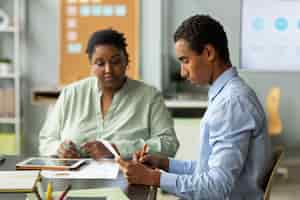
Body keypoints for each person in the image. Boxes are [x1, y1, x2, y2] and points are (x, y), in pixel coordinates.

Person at [117, 15, 272, 199]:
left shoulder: (231, 103)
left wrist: (154, 178)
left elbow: (216, 187)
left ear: (208, 53)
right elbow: (206, 169)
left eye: (185, 60)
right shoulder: (227, 95)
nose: (183, 72)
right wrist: (164, 163)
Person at [39, 29, 179, 159]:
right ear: (91, 65)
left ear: (126, 61)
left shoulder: (149, 96)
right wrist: (59, 149)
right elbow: (46, 140)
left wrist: (117, 149)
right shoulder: (71, 94)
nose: (108, 70)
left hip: (129, 179)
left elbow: (169, 144)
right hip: (75, 180)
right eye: (100, 63)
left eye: (115, 62)